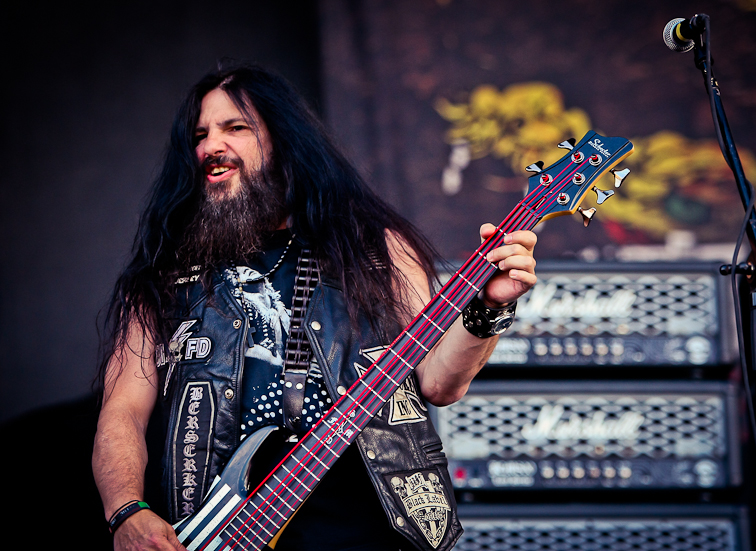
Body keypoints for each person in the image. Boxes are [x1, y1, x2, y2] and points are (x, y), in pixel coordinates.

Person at [92, 63, 537, 551]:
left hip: (365, 531)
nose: (210, 147)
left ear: (284, 140)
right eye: (200, 134)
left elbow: (438, 382)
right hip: (223, 533)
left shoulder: (374, 248)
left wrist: (486, 310)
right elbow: (124, 410)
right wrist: (126, 511)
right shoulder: (163, 274)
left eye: (235, 127)